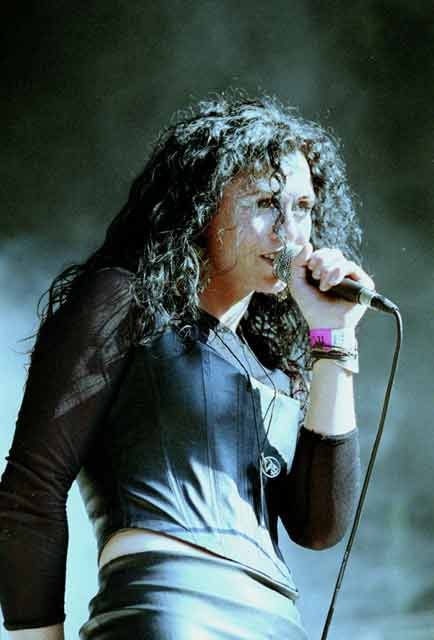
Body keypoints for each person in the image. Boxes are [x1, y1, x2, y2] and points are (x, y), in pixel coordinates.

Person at [0, 90, 374, 639]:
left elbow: (319, 527)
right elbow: (32, 488)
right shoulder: (122, 302)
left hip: (279, 625)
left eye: (303, 208)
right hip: (173, 612)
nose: (290, 233)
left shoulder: (271, 368)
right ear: (202, 207)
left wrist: (334, 336)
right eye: (265, 203)